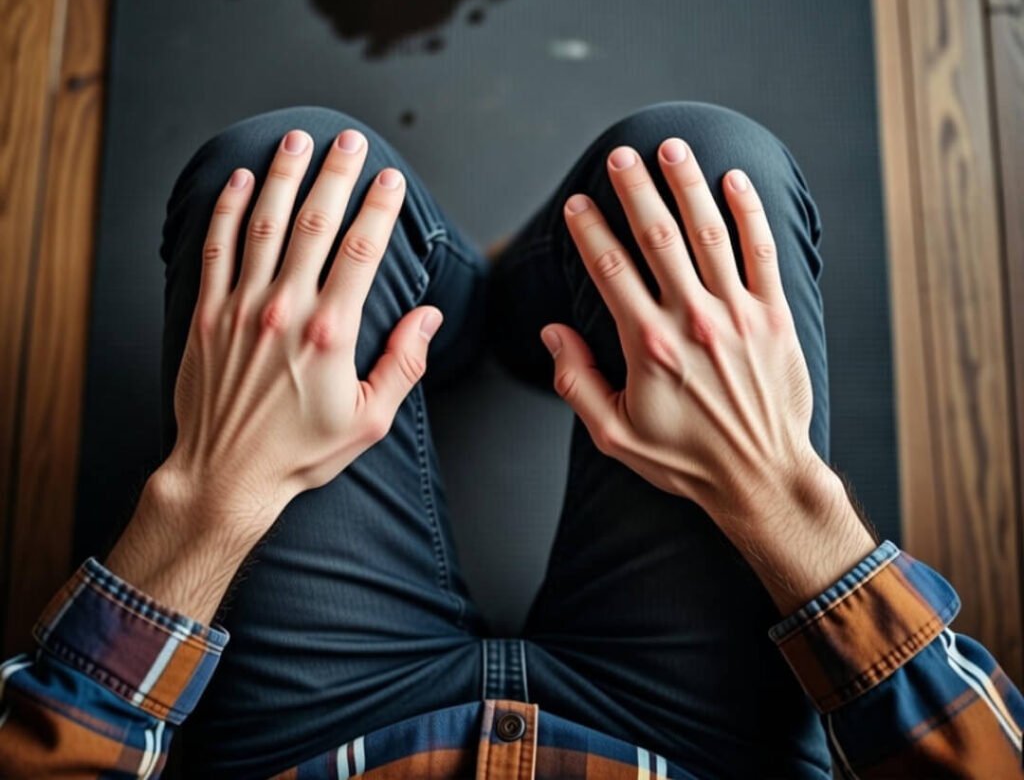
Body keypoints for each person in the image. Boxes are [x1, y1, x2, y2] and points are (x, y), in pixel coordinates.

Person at [0, 101, 1020, 779]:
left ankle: (464, 317)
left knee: (283, 169)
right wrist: (780, 493)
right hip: (709, 750)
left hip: (303, 747)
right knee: (699, 167)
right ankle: (514, 324)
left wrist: (205, 503)